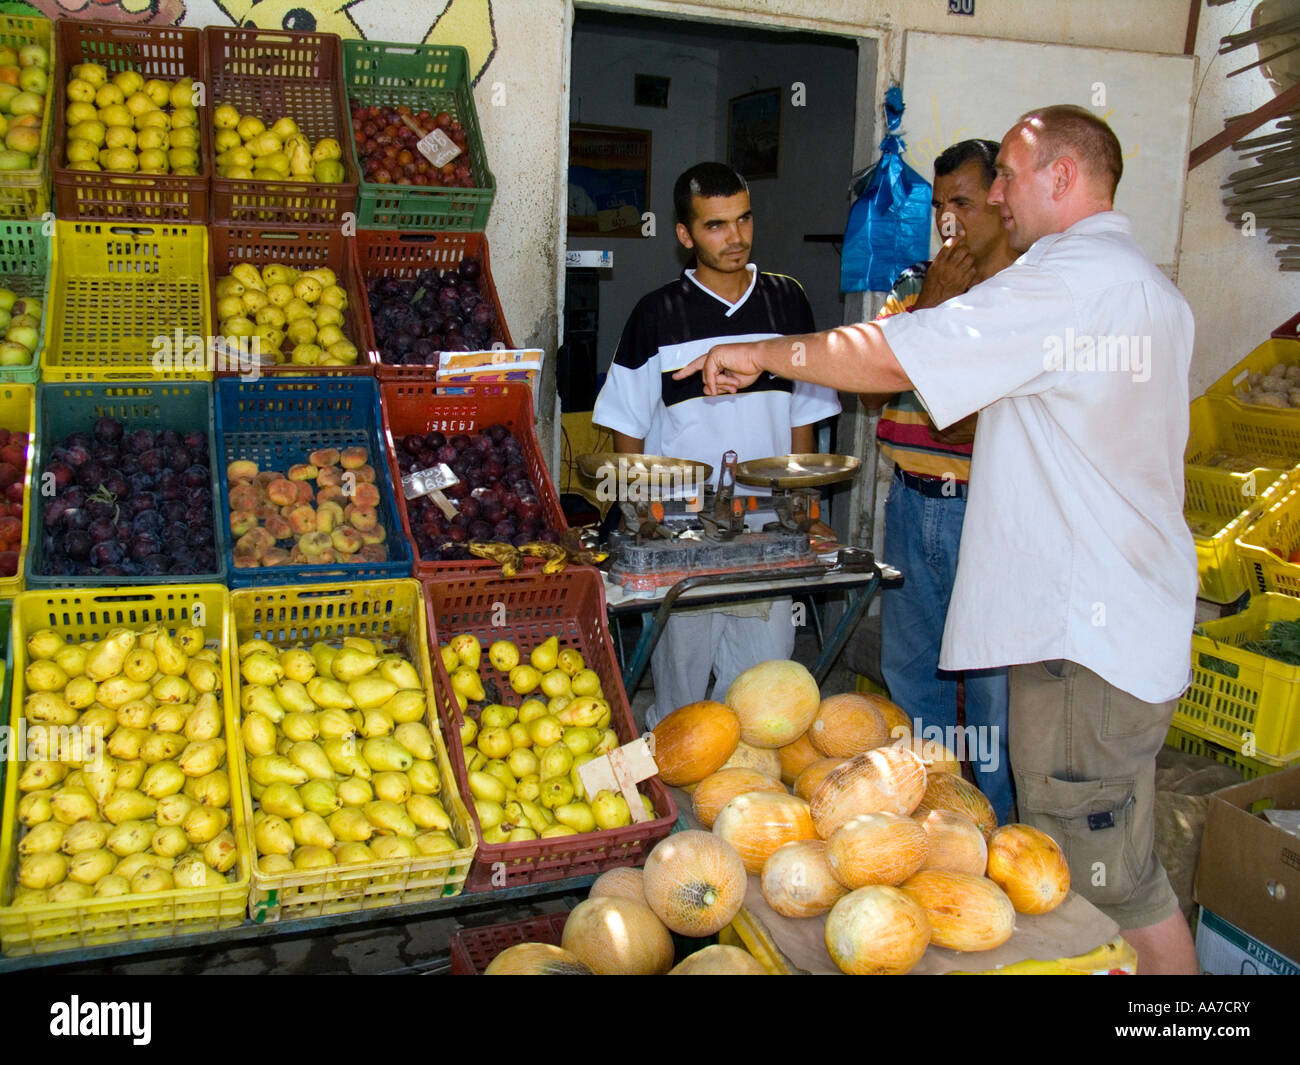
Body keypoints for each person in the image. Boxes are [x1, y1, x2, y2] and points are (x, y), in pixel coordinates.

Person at [674, 107, 1198, 974]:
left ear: (1062, 178)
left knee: (1112, 886)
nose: (994, 194)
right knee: (1107, 867)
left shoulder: (1068, 281)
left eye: (1009, 176)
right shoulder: (1141, 284)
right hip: (1109, 628)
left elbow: (890, 359)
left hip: (1086, 645)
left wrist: (764, 351)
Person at [593, 162, 841, 729]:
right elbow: (625, 425)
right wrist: (638, 516)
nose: (736, 238)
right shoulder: (656, 315)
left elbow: (805, 414)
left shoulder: (788, 302)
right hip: (680, 524)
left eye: (744, 219)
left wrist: (806, 512)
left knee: (763, 680)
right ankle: (678, 765)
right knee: (683, 676)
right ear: (684, 234)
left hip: (767, 521)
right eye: (716, 225)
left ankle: (743, 782)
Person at [867, 139, 1017, 824]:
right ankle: (936, 817)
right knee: (911, 669)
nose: (947, 221)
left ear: (1001, 200)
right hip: (910, 501)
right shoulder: (912, 286)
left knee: (993, 687)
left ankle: (1000, 831)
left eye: (962, 201)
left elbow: (964, 421)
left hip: (987, 511)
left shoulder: (1025, 298)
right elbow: (874, 393)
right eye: (939, 206)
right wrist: (930, 306)